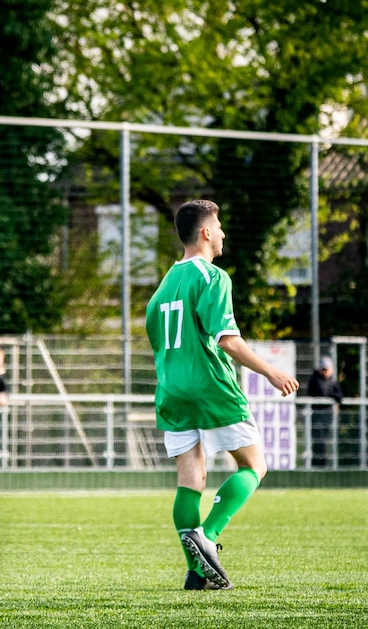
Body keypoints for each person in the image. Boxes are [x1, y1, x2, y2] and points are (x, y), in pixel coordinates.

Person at [144, 199, 298, 592]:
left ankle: (197, 574)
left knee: (189, 480)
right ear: (205, 232)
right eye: (220, 226)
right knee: (255, 466)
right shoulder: (212, 277)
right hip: (210, 386)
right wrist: (270, 371)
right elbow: (227, 340)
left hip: (172, 391)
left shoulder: (162, 289)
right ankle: (208, 536)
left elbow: (158, 341)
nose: (224, 233)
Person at [305, 356, 344, 466]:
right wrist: (332, 395)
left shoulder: (332, 381)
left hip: (327, 416)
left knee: (324, 441)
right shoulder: (315, 379)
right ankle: (317, 464)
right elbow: (323, 392)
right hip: (317, 416)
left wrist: (333, 395)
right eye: (324, 369)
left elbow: (340, 395)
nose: (325, 372)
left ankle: (323, 464)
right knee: (318, 442)